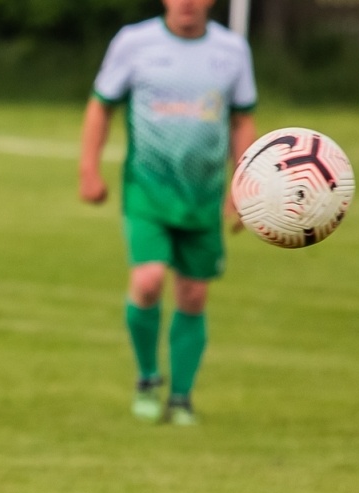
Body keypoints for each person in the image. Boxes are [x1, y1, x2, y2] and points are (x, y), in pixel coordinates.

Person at [80, 0, 258, 426]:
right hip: (147, 188)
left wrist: (244, 185)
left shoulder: (232, 50)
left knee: (194, 294)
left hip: (202, 193)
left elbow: (242, 121)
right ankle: (146, 378)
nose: (187, 3)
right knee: (148, 280)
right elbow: (101, 105)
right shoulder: (134, 42)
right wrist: (89, 168)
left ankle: (181, 397)